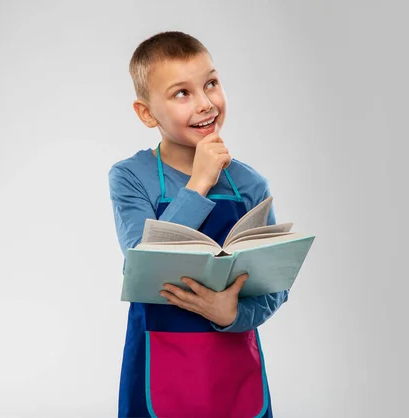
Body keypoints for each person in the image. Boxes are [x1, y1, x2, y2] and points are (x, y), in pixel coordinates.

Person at [108, 31, 289, 417]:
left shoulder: (250, 185)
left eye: (211, 84)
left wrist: (233, 315)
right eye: (181, 93)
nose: (206, 104)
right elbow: (142, 262)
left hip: (234, 361)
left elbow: (275, 286)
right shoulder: (130, 177)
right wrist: (200, 182)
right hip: (157, 360)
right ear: (146, 113)